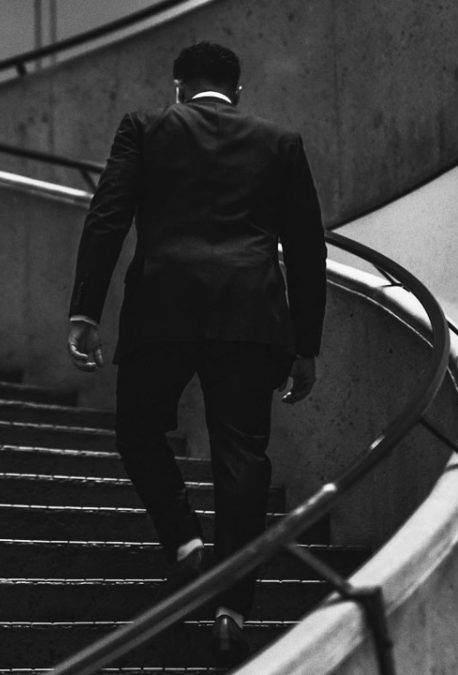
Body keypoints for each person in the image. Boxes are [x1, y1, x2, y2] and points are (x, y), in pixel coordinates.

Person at [66, 41, 326, 666]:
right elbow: (308, 246)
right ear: (236, 92)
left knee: (137, 428)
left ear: (179, 87)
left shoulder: (146, 126)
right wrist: (306, 346)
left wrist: (85, 310)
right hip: (251, 313)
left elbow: (108, 217)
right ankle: (233, 609)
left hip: (163, 307)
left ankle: (185, 544)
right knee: (243, 454)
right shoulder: (281, 141)